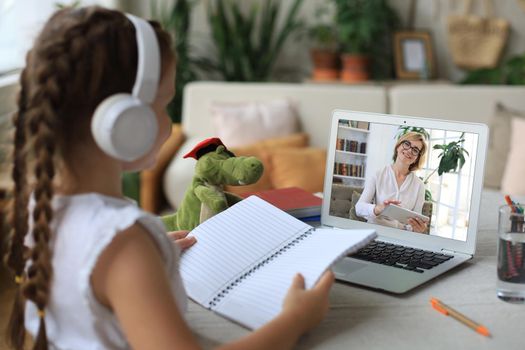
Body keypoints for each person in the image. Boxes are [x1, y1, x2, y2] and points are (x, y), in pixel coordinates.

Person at [4, 6, 334, 350]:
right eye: (163, 105)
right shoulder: (124, 246)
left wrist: (147, 267)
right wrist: (296, 319)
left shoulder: (42, 207)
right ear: (124, 122)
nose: (167, 121)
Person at [355, 132, 429, 233]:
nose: (409, 150)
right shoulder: (378, 174)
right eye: (407, 144)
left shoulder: (419, 185)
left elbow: (414, 222)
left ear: (417, 158)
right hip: (374, 232)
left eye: (415, 150)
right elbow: (359, 208)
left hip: (400, 237)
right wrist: (379, 208)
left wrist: (417, 228)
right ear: (398, 146)